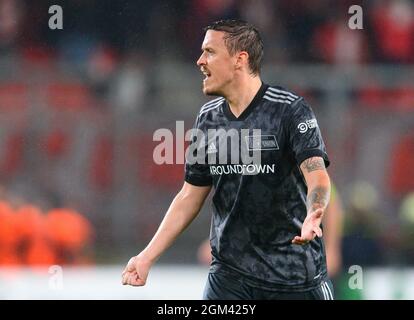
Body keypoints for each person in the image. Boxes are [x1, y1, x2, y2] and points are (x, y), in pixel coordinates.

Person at [122, 19, 333, 300]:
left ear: (239, 59)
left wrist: (313, 212)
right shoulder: (208, 119)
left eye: (209, 52)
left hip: (294, 278)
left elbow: (317, 175)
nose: (199, 61)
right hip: (230, 278)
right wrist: (147, 256)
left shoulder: (290, 111)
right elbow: (189, 196)